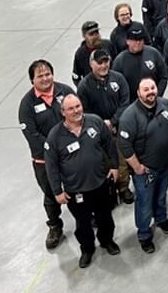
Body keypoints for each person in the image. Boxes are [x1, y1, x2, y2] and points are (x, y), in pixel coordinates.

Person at [43, 93, 120, 268]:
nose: (76, 110)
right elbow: (51, 167)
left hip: (100, 184)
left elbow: (109, 144)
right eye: (71, 108)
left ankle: (107, 241)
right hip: (75, 191)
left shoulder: (95, 122)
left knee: (105, 217)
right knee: (83, 223)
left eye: (78, 106)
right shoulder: (55, 137)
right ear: (63, 112)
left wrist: (114, 166)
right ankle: (87, 249)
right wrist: (57, 191)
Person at [18, 59, 75, 250]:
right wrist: (54, 149)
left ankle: (85, 216)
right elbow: (32, 135)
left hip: (71, 155)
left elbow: (77, 117)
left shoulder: (65, 91)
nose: (45, 78)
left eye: (47, 73)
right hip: (44, 160)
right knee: (51, 194)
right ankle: (55, 226)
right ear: (32, 80)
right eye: (40, 76)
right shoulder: (27, 104)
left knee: (77, 187)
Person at [117, 77, 168, 253]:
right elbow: (125, 146)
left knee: (161, 196)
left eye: (152, 88)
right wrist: (137, 168)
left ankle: (161, 218)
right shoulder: (129, 116)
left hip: (165, 165)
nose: (150, 92)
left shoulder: (166, 105)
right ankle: (144, 234)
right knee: (144, 203)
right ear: (138, 93)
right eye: (146, 89)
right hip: (145, 171)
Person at [76, 49, 133, 204]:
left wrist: (113, 121)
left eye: (106, 61)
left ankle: (123, 187)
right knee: (103, 162)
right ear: (91, 64)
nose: (103, 65)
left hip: (118, 128)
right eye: (99, 62)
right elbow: (83, 111)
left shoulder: (118, 79)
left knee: (121, 158)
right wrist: (101, 125)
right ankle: (108, 190)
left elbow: (125, 102)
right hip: (97, 132)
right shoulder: (84, 86)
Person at [111, 23, 168, 98]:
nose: (138, 42)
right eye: (134, 40)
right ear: (127, 41)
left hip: (153, 99)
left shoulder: (153, 53)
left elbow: (163, 77)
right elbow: (116, 85)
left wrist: (157, 95)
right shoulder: (120, 61)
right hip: (131, 103)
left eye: (140, 39)